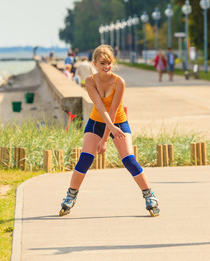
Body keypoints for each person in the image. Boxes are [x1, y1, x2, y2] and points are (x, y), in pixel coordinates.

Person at [59, 44, 160, 217]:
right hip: (96, 122)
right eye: (102, 63)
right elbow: (99, 106)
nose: (106, 67)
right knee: (85, 158)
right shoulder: (90, 81)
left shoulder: (119, 82)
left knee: (128, 159)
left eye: (109, 63)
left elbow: (112, 112)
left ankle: (149, 196)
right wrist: (106, 133)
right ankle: (70, 196)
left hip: (118, 122)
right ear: (95, 64)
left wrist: (105, 138)